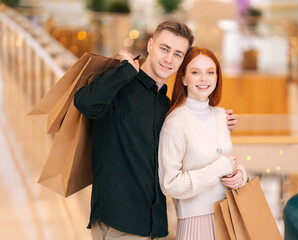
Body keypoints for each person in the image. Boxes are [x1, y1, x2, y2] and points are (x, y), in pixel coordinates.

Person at [74, 21, 238, 239]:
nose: (169, 59)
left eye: (178, 54)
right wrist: (124, 72)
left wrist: (218, 121)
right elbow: (85, 103)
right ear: (150, 45)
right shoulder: (121, 84)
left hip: (152, 226)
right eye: (164, 49)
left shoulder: (166, 106)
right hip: (118, 221)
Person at [158, 47, 247, 240]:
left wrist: (240, 174)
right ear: (183, 78)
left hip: (230, 216)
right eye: (195, 72)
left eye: (210, 72)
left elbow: (227, 162)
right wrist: (218, 168)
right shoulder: (175, 123)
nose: (204, 79)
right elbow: (169, 184)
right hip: (196, 223)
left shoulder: (221, 116)